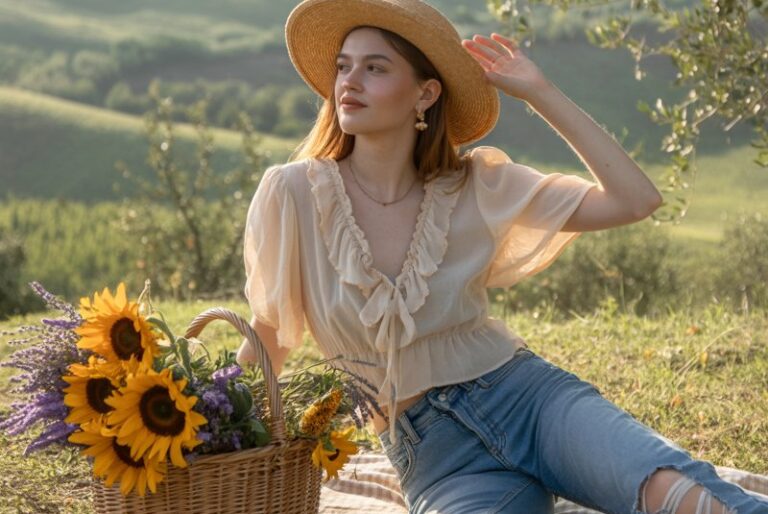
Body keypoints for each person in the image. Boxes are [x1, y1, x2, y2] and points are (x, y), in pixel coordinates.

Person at [236, 0, 768, 512]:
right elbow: (269, 332)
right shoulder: (294, 194)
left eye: (375, 67)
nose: (349, 81)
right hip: (437, 457)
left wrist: (539, 93)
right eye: (343, 66)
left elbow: (635, 200)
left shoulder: (475, 185)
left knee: (688, 499)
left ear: (425, 94)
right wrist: (219, 429)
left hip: (529, 402)